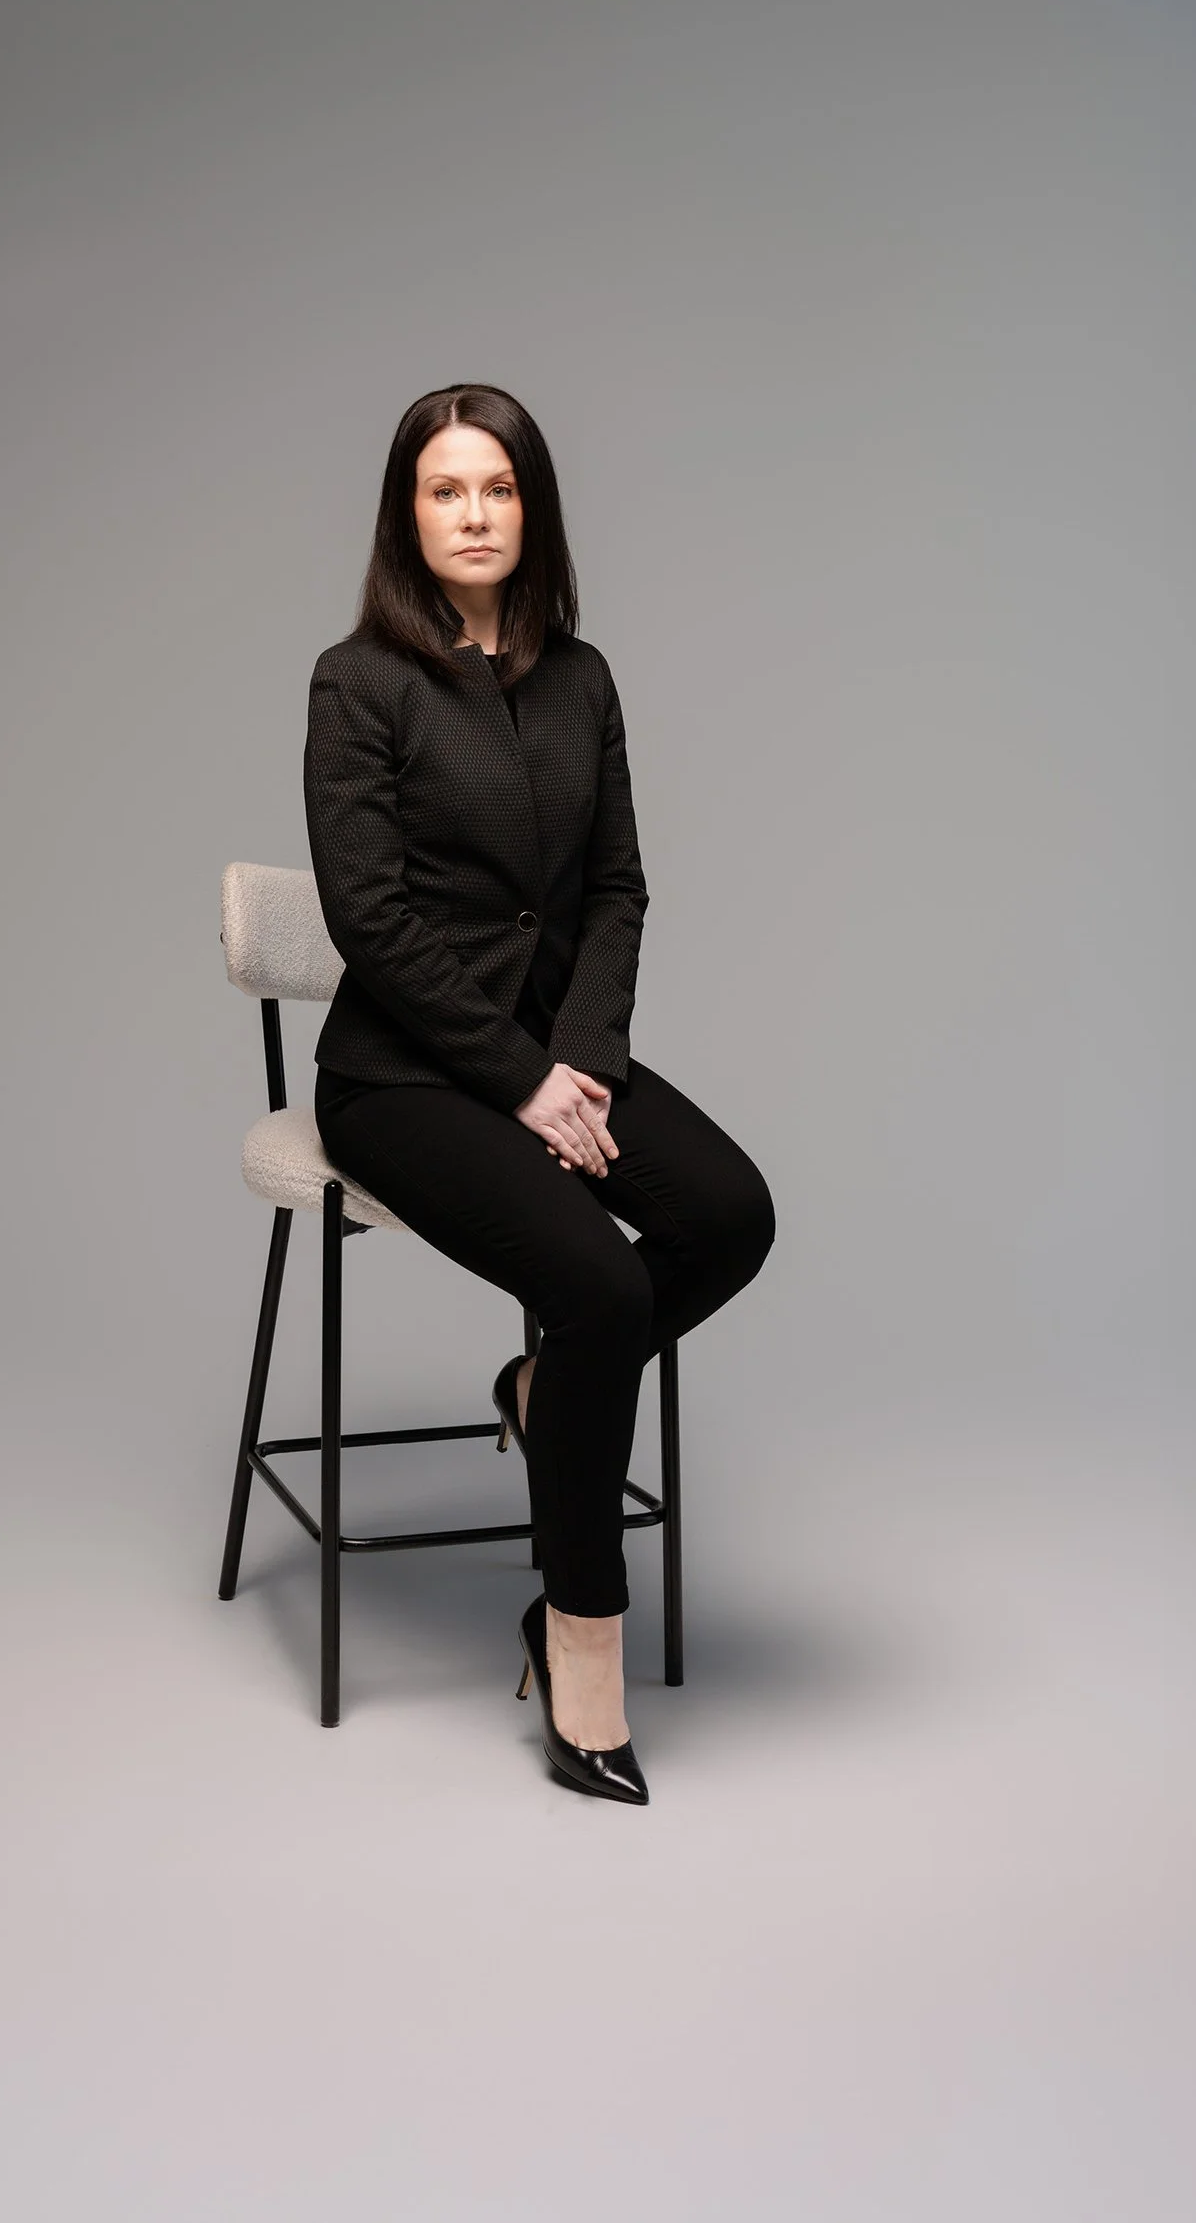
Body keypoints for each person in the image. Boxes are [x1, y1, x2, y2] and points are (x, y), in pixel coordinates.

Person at [304, 382, 776, 1805]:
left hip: (557, 1052)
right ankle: (580, 1644)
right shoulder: (357, 680)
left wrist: (580, 1058)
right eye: (445, 490)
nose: (472, 513)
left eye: (496, 488)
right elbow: (367, 920)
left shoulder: (583, 677)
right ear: (407, 515)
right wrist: (521, 1083)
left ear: (533, 507)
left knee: (731, 1217)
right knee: (609, 1295)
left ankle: (542, 1391)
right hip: (401, 1074)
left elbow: (619, 887)